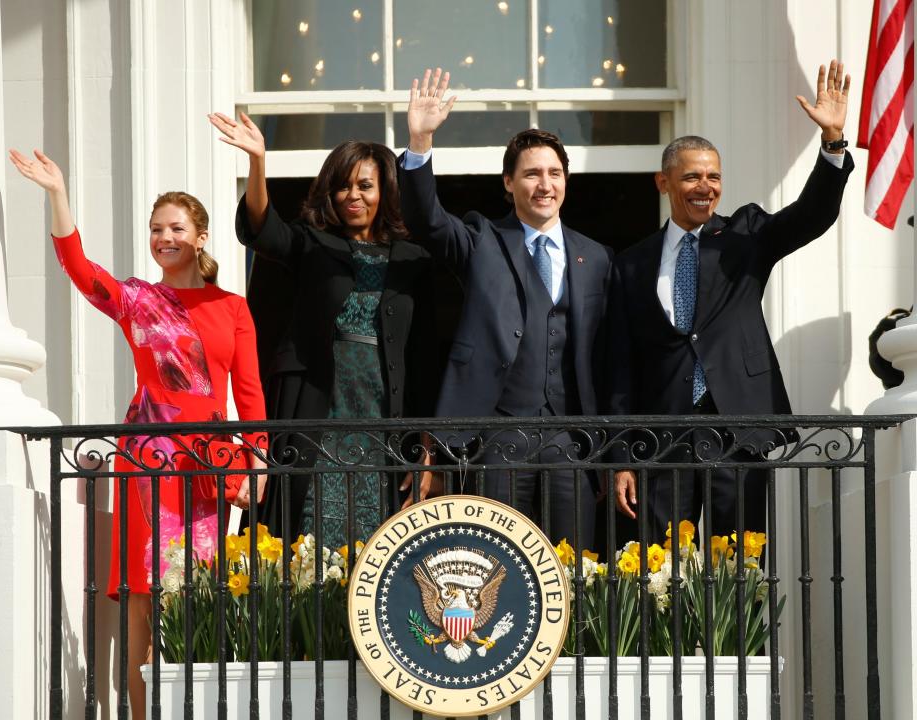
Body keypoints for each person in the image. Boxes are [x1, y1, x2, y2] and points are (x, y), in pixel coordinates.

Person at [9, 149, 269, 717]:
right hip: (147, 458)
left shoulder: (232, 307)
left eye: (176, 228)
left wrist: (258, 460)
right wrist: (58, 194)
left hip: (209, 459)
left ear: (200, 237)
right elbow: (81, 269)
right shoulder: (136, 300)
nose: (164, 237)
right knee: (142, 596)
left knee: (201, 595)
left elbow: (249, 395)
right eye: (156, 229)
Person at [611, 60, 853, 543]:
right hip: (662, 438)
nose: (706, 188)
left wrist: (832, 144)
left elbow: (812, 215)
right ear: (664, 183)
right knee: (660, 570)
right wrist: (622, 456)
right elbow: (622, 365)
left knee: (739, 567)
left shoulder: (745, 233)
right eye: (691, 178)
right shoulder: (632, 263)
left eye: (713, 177)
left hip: (737, 426)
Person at [397, 68, 619, 546]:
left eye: (555, 173)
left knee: (572, 564)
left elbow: (607, 354)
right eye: (532, 173)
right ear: (508, 182)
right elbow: (427, 220)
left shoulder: (596, 256)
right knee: (498, 561)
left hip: (570, 438)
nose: (545, 184)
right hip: (498, 434)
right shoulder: (481, 239)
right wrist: (419, 141)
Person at [208, 112, 438, 548]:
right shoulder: (313, 243)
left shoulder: (413, 260)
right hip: (315, 400)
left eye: (364, 185)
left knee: (380, 534)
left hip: (383, 408)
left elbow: (424, 356)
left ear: (384, 190)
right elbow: (263, 230)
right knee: (306, 520)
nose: (352, 195)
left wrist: (426, 443)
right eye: (343, 185)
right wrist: (259, 162)